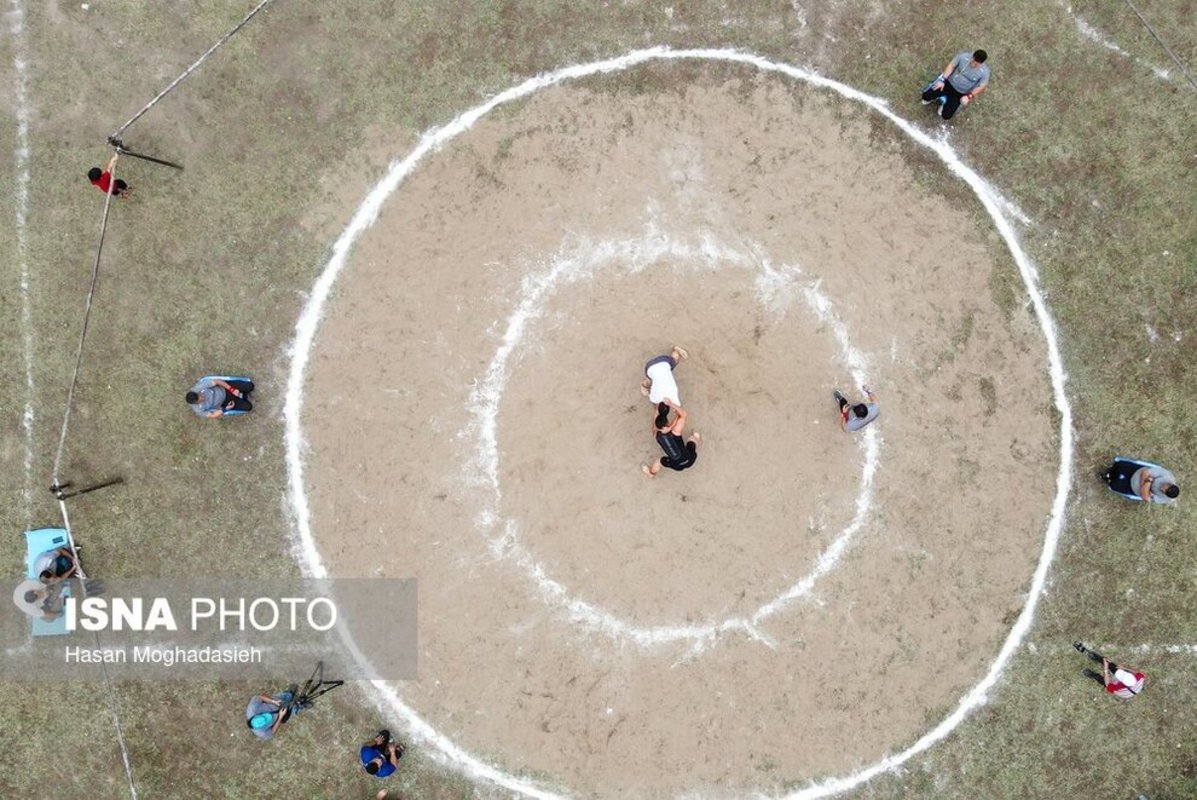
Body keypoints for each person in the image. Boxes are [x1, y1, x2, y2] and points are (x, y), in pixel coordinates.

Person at [921, 49, 990, 120]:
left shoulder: (984, 72)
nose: (973, 64)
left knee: (946, 116)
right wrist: (942, 80)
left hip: (960, 93)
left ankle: (944, 102)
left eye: (976, 64)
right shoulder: (963, 57)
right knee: (925, 96)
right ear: (972, 56)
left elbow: (982, 86)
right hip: (948, 84)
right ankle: (938, 95)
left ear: (981, 63)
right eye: (973, 61)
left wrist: (969, 96)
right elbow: (951, 66)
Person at [643, 401, 700, 477]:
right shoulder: (675, 432)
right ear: (667, 423)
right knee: (693, 439)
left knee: (659, 462)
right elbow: (683, 415)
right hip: (690, 459)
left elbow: (654, 424)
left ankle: (651, 473)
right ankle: (696, 438)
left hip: (677, 465)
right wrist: (671, 405)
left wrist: (657, 410)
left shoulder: (656, 434)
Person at [1074, 642, 1145, 698]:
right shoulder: (1140, 677)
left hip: (1122, 689)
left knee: (1101, 679)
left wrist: (1105, 669)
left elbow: (1107, 684)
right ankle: (1087, 652)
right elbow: (1136, 672)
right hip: (1131, 684)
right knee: (1110, 664)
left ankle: (1092, 675)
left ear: (1120, 682)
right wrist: (1123, 668)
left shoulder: (1118, 690)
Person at [1102, 458, 1179, 504]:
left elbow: (1145, 497)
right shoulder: (1166, 475)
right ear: (1170, 484)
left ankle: (1108, 477)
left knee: (1114, 484)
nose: (1162, 489)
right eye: (1164, 487)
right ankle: (1110, 471)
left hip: (1133, 488)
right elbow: (1145, 472)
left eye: (1163, 491)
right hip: (1136, 472)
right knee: (1119, 465)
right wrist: (1146, 487)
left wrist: (1149, 480)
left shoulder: (1164, 499)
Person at [186, 376, 255, 418]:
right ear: (196, 403)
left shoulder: (199, 387)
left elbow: (217, 381)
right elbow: (212, 415)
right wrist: (225, 409)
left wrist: (232, 389)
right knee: (248, 407)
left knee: (250, 386)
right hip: (225, 402)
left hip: (224, 389)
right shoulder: (198, 409)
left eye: (201, 395)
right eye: (201, 400)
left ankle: (241, 394)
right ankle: (242, 395)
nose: (203, 398)